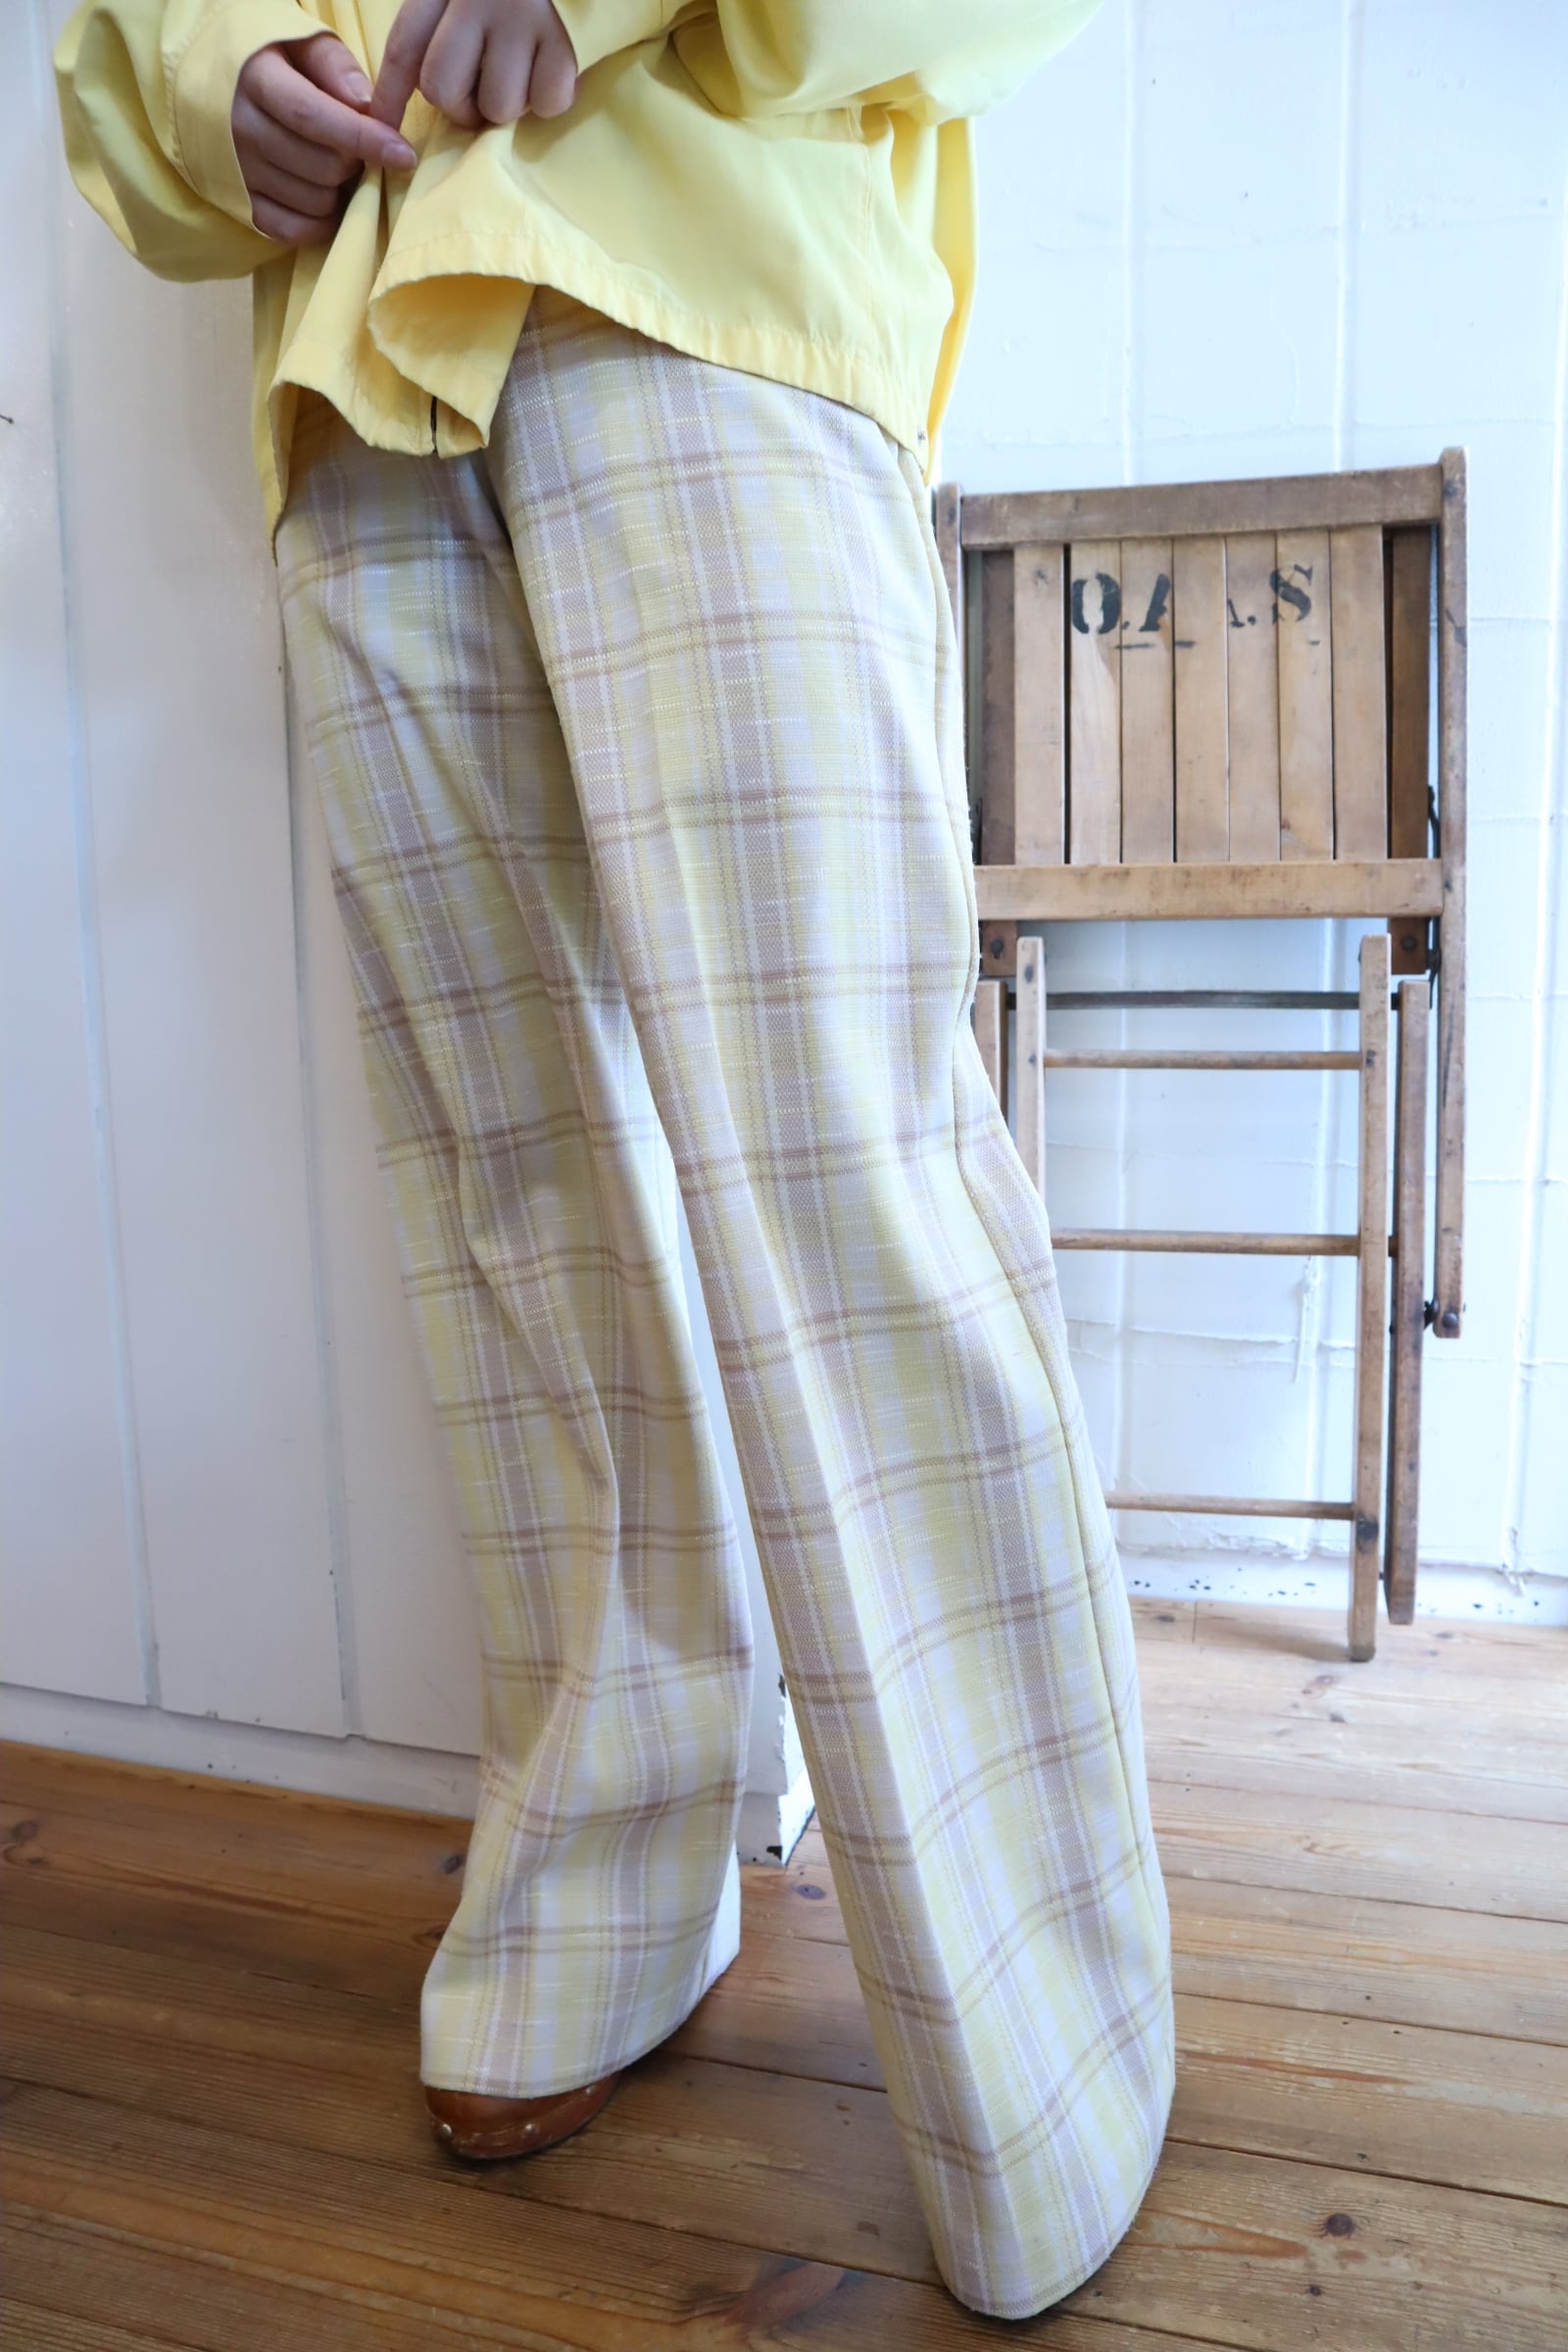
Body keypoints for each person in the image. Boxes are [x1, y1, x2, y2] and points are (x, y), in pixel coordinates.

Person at [53, 0, 1175, 2320]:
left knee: (838, 1174)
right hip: (357, 365)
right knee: (518, 1198)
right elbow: (123, 34)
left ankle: (1041, 2005)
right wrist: (214, 81)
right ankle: (607, 1870)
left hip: (703, 259)